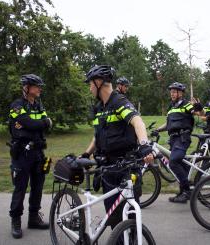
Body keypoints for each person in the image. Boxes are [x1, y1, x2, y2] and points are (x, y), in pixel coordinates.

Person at [81, 65, 154, 229]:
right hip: (107, 169)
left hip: (125, 168)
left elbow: (138, 122)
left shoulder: (119, 101)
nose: (90, 88)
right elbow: (98, 135)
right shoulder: (100, 107)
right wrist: (86, 153)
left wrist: (144, 145)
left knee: (129, 216)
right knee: (113, 217)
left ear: (99, 82)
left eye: (90, 84)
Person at [8, 74, 53, 239]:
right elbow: (29, 124)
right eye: (36, 86)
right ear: (27, 87)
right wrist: (42, 123)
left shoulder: (39, 105)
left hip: (38, 153)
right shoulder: (17, 105)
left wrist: (36, 125)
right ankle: (16, 221)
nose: (40, 89)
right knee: (20, 188)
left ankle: (33, 218)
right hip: (22, 153)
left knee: (38, 187)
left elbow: (42, 126)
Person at [151, 82, 203, 203]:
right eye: (171, 92)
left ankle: (187, 191)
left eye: (174, 92)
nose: (172, 94)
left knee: (173, 162)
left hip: (182, 138)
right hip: (174, 139)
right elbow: (168, 124)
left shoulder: (186, 105)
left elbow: (199, 114)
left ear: (180, 93)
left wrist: (198, 107)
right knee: (181, 163)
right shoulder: (172, 107)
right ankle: (182, 191)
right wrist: (158, 129)